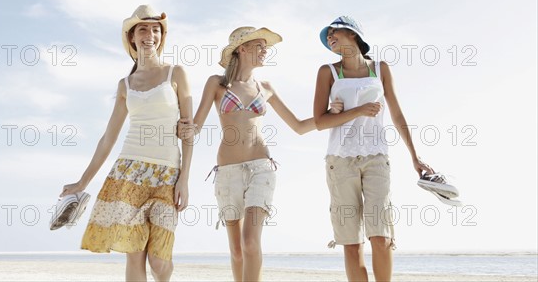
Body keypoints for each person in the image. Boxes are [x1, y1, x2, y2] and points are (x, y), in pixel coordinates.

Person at [60, 4, 193, 282]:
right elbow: (108, 138)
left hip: (167, 175)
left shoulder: (176, 74)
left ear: (161, 36)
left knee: (159, 262)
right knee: (134, 253)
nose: (150, 34)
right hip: (129, 172)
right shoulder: (126, 84)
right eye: (143, 29)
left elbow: (188, 132)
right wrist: (83, 182)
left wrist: (185, 179)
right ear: (131, 37)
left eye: (155, 29)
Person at [180, 26, 316, 281]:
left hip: (261, 168)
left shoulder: (266, 86)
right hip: (228, 172)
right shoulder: (217, 83)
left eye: (266, 47)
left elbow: (298, 126)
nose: (265, 51)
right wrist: (181, 127)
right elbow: (195, 127)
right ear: (242, 48)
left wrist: (336, 113)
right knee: (237, 250)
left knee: (251, 243)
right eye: (260, 46)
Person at [313, 15, 435, 282]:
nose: (330, 38)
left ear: (354, 34)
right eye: (328, 36)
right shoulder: (328, 72)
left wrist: (415, 156)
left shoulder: (380, 68)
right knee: (352, 241)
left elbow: (397, 114)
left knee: (381, 235)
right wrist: (357, 111)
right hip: (340, 161)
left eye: (335, 32)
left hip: (377, 157)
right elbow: (321, 122)